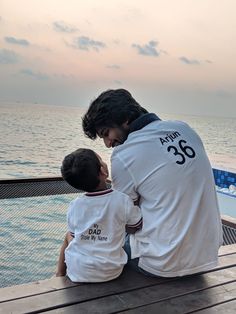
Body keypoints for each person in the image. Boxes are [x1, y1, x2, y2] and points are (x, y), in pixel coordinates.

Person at [82, 88, 223, 277]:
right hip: (206, 258)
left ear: (125, 119)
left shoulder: (124, 154)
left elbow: (124, 219)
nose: (108, 143)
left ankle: (63, 284)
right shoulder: (183, 128)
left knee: (87, 240)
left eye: (107, 133)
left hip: (163, 263)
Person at [56, 148, 142, 282]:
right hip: (111, 271)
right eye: (101, 160)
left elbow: (74, 235)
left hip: (77, 271)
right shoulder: (122, 200)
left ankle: (59, 275)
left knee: (69, 235)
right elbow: (136, 225)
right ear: (103, 171)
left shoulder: (75, 205)